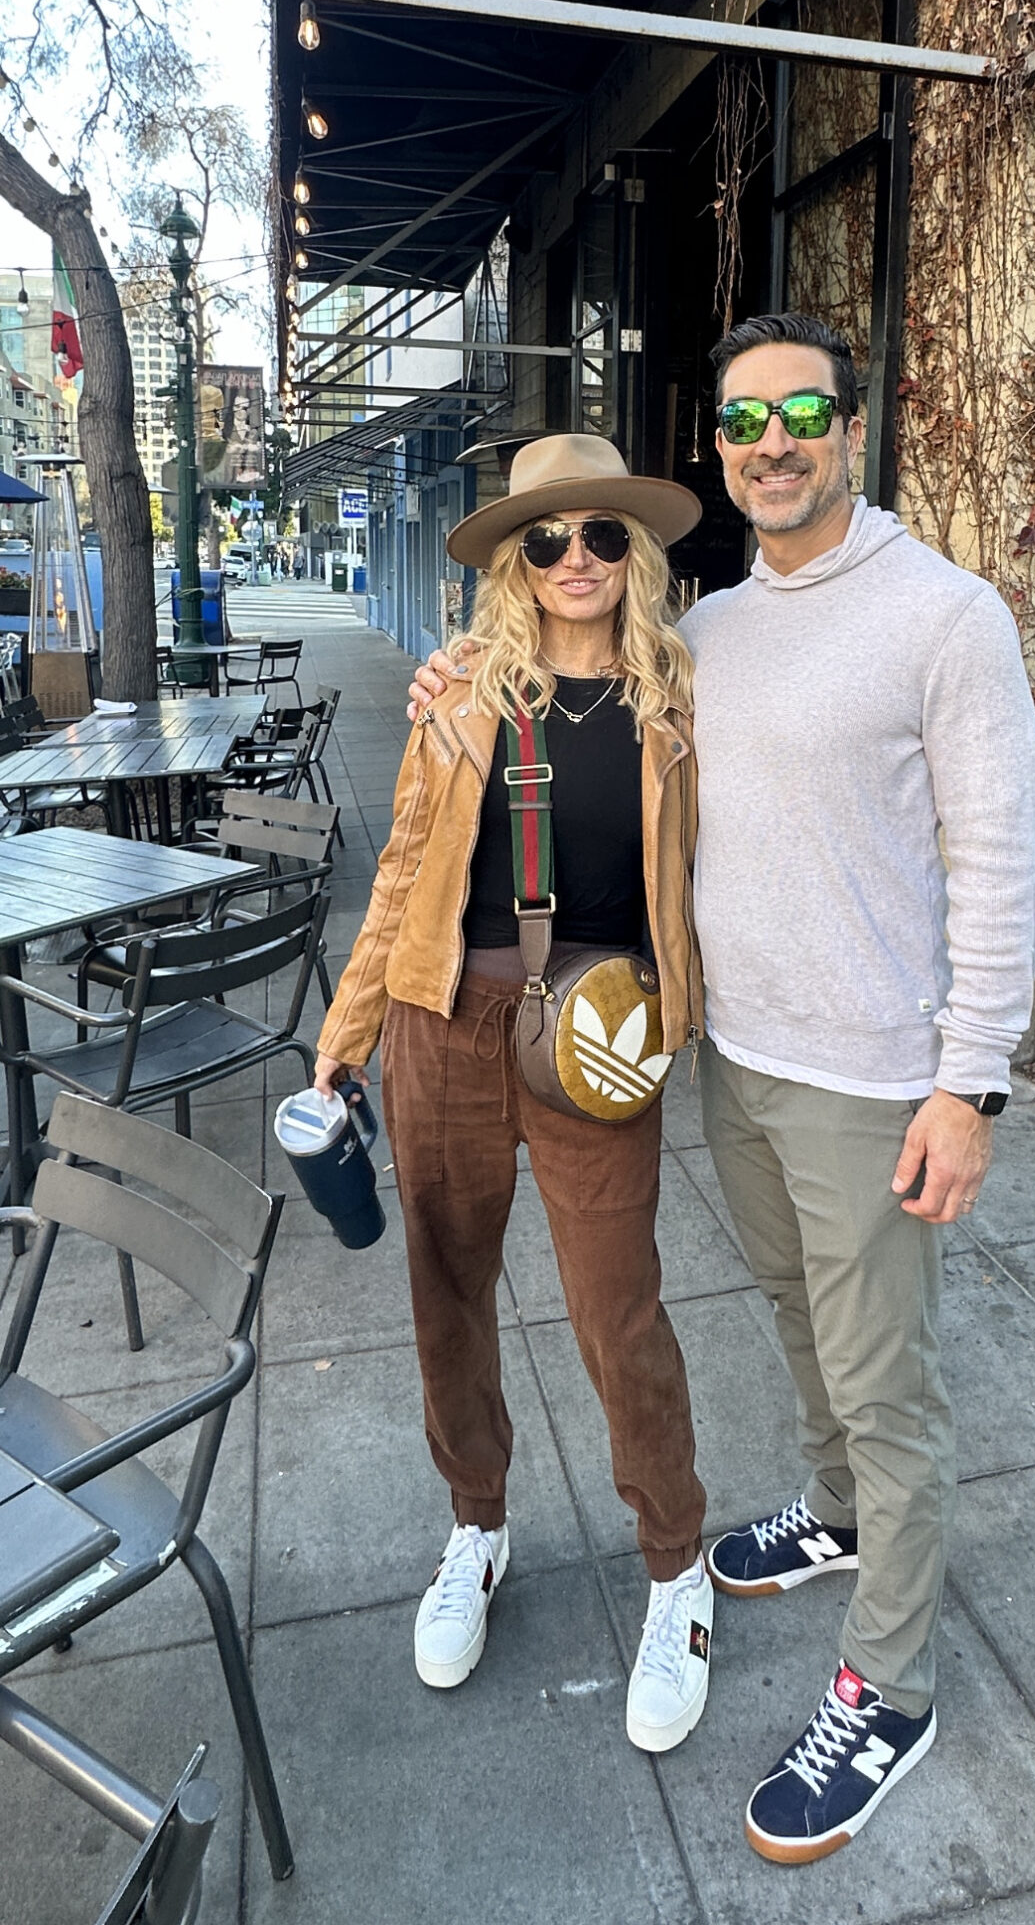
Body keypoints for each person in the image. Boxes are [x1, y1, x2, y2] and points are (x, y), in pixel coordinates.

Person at [412, 315, 1035, 1866]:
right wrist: (459, 682)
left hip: (874, 1072)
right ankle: (827, 1515)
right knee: (791, 1319)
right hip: (732, 1061)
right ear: (717, 451)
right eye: (746, 421)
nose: (774, 442)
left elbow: (1001, 852)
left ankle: (887, 1689)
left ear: (851, 423)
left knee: (886, 1381)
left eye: (803, 413)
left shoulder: (944, 616)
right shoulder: (706, 638)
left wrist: (969, 1082)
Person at [315, 431, 716, 1755]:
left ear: (635, 548)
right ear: (517, 558)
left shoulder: (680, 701)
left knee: (618, 1312)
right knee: (447, 1297)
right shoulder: (462, 696)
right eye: (548, 538)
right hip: (447, 1024)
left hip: (599, 1037)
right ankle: (474, 1530)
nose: (577, 559)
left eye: (602, 533)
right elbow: (401, 875)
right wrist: (350, 1028)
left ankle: (675, 1569)